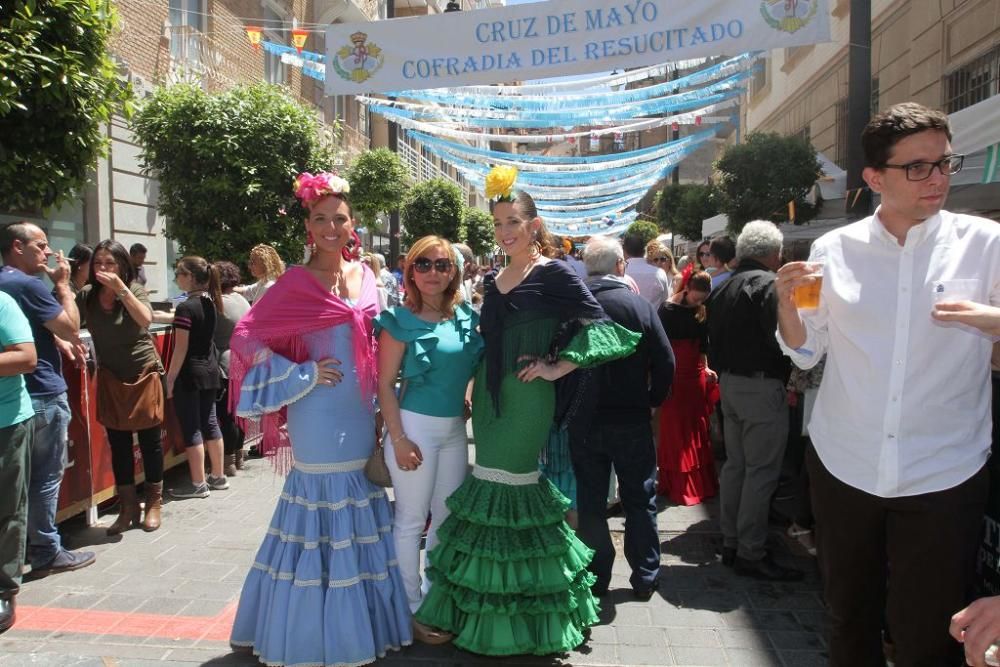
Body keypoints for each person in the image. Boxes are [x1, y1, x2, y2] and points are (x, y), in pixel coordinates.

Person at [775, 102, 1000, 666]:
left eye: (945, 163)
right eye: (918, 167)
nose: (939, 179)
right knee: (849, 616)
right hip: (846, 460)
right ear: (875, 178)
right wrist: (786, 305)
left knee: (930, 629)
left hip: (946, 468)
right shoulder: (834, 249)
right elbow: (807, 347)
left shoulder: (987, 243)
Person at [413, 167, 639, 656]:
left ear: (534, 224)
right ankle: (492, 611)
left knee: (512, 491)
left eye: (513, 221)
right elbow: (487, 342)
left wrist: (558, 367)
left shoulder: (554, 272)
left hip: (528, 400)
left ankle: (521, 615)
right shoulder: (494, 280)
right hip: (490, 404)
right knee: (489, 487)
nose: (505, 231)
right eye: (497, 223)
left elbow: (604, 330)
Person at [228, 171, 411, 665]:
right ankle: (313, 632)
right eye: (320, 219)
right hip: (318, 412)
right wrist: (301, 374)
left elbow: (377, 341)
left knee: (362, 499)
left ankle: (360, 623)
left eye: (340, 219)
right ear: (308, 226)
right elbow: (244, 337)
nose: (331, 227)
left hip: (361, 408)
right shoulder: (294, 281)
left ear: (354, 224)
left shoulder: (367, 276)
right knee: (321, 503)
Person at [374, 235, 483, 644]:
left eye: (442, 265)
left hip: (455, 432)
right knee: (411, 520)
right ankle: (410, 606)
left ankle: (437, 597)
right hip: (414, 429)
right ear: (410, 270)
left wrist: (467, 396)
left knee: (448, 517)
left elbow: (470, 366)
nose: (432, 273)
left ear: (454, 270)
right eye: (423, 265)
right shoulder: (398, 320)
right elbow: (385, 386)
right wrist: (398, 438)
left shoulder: (465, 316)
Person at [574, 235, 674, 600]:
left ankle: (597, 576)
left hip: (585, 421)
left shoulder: (575, 308)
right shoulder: (639, 307)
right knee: (639, 498)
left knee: (591, 501)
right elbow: (666, 362)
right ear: (621, 266)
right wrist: (652, 400)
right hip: (631, 417)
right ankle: (645, 575)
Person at [0, 222, 95, 578]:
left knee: (18, 486)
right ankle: (45, 550)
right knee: (45, 477)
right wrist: (63, 286)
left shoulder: (5, 284)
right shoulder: (27, 285)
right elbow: (70, 326)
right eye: (40, 246)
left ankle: (23, 549)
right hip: (41, 392)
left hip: (17, 397)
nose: (47, 252)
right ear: (17, 247)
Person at [707, 220, 799, 582]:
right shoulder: (766, 285)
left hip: (729, 383)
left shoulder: (723, 285)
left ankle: (733, 541)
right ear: (774, 254)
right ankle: (750, 549)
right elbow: (784, 339)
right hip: (760, 386)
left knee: (737, 466)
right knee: (759, 471)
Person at [78, 241, 166, 534]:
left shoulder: (133, 289)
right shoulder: (88, 295)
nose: (103, 269)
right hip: (111, 377)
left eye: (110, 263)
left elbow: (145, 319)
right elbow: (68, 322)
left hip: (143, 373)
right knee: (119, 445)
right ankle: (128, 507)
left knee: (150, 442)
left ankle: (154, 503)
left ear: (122, 266)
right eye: (98, 263)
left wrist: (121, 289)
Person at [166, 256, 226, 499]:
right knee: (210, 422)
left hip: (190, 374)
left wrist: (169, 379)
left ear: (190, 277)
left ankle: (198, 483)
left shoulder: (185, 307)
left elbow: (180, 349)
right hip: (210, 371)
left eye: (180, 273)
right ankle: (218, 476)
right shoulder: (211, 302)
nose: (176, 277)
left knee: (192, 427)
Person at [657, 269, 719, 506]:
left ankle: (699, 482)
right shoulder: (667, 309)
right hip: (675, 374)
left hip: (695, 375)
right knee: (675, 430)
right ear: (687, 288)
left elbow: (704, 344)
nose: (700, 302)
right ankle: (675, 484)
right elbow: (660, 347)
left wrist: (706, 367)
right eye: (697, 297)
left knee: (696, 429)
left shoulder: (701, 309)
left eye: (703, 298)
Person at [0, 292, 37, 634]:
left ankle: (4, 588)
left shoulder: (3, 304)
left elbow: (27, 357)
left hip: (6, 422)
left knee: (7, 508)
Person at [212, 261, 251, 476]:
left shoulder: (219, 303)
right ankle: (238, 456)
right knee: (238, 413)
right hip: (244, 360)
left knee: (226, 415)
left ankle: (227, 463)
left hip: (225, 362)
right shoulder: (242, 300)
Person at [623, 233, 670, 305]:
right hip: (653, 315)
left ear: (624, 251)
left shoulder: (619, 273)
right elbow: (665, 300)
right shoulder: (660, 273)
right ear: (644, 251)